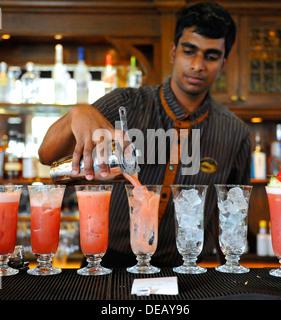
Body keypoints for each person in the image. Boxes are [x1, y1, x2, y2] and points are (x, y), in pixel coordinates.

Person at [39, 2, 251, 268]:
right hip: (106, 266)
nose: (198, 65)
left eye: (211, 56)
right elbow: (46, 155)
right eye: (189, 51)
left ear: (223, 62)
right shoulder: (123, 103)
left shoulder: (235, 132)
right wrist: (77, 113)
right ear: (174, 52)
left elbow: (232, 214)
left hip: (186, 272)